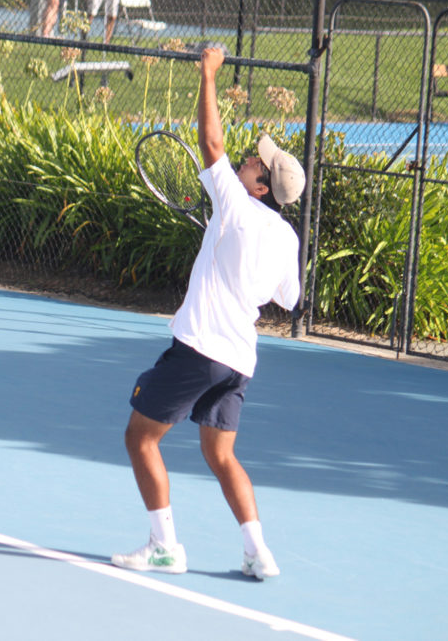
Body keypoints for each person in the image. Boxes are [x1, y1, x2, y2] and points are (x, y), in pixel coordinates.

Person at [111, 47, 305, 580]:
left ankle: (165, 547)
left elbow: (210, 141)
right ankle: (258, 553)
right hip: (240, 360)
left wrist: (208, 74)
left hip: (200, 349)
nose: (244, 158)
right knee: (222, 457)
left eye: (253, 161)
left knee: (139, 437)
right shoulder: (286, 236)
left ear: (260, 186)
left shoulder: (235, 204)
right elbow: (287, 299)